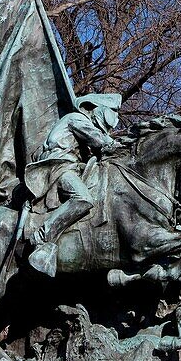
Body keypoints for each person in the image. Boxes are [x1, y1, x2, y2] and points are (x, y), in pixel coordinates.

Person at [25, 93, 122, 276]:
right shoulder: (76, 119)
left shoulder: (82, 125)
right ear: (96, 109)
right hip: (58, 167)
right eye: (111, 112)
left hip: (71, 168)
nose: (113, 120)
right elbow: (100, 141)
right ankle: (43, 238)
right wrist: (121, 145)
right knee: (83, 198)